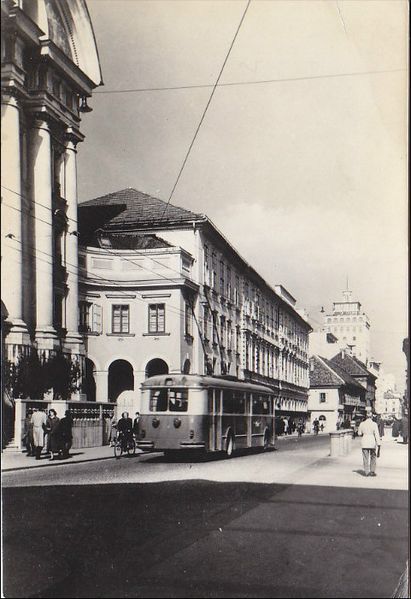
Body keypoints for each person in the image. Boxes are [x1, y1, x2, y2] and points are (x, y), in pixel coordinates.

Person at [357, 406, 381, 477]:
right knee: (373, 457)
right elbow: (377, 435)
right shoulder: (374, 424)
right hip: (372, 442)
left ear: (366, 416)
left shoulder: (362, 424)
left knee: (365, 457)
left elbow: (359, 433)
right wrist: (379, 444)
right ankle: (372, 471)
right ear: (372, 417)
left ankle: (366, 472)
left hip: (364, 441)